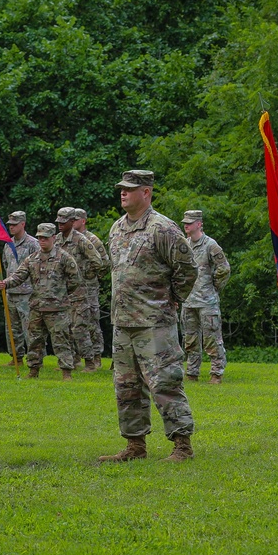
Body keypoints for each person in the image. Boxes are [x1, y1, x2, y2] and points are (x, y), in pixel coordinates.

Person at [99, 170, 197, 462]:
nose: (123, 193)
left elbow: (187, 269)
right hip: (123, 321)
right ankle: (135, 446)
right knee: (126, 387)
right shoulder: (116, 228)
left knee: (165, 383)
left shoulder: (162, 228)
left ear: (147, 193)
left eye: (130, 188)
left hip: (154, 322)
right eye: (122, 188)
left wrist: (172, 299)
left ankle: (182, 446)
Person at [0, 223, 79, 380]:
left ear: (53, 238)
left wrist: (60, 295)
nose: (42, 241)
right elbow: (18, 275)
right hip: (37, 307)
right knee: (34, 341)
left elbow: (75, 280)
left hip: (57, 309)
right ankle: (33, 370)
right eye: (40, 238)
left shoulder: (64, 258)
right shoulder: (32, 259)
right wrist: (6, 283)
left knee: (61, 341)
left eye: (46, 238)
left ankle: (66, 372)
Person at [181, 209, 232, 384]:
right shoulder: (184, 245)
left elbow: (224, 269)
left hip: (207, 301)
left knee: (211, 338)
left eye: (189, 222)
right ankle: (192, 373)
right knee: (190, 340)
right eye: (185, 222)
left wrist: (214, 287)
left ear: (199, 224)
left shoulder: (210, 245)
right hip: (188, 301)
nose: (186, 225)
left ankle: (216, 373)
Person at [55, 207, 104, 372]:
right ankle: (72, 360)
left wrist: (86, 275)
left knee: (83, 325)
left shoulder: (82, 240)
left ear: (72, 221)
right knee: (66, 326)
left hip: (82, 291)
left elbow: (99, 261)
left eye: (64, 222)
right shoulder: (56, 240)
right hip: (64, 291)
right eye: (58, 222)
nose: (60, 225)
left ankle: (91, 361)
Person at [2, 211, 40, 366]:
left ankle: (35, 358)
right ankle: (16, 357)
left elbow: (38, 268)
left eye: (15, 224)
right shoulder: (8, 244)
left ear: (23, 224)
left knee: (30, 329)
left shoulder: (33, 244)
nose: (11, 227)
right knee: (12, 329)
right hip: (11, 292)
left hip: (27, 293)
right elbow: (6, 265)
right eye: (10, 224)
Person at [74, 208, 110, 369]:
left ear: (83, 221)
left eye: (75, 220)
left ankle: (96, 357)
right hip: (72, 288)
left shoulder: (92, 240)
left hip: (89, 288)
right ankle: (75, 358)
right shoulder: (69, 239)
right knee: (72, 322)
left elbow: (105, 263)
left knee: (92, 322)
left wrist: (91, 276)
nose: (72, 222)